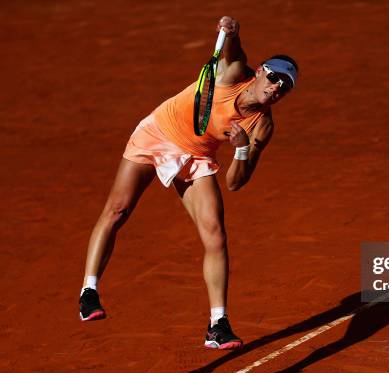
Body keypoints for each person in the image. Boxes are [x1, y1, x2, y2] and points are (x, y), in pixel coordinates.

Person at [78, 16, 298, 350]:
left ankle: (217, 324)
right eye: (274, 78)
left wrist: (241, 149)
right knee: (118, 209)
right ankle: (89, 291)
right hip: (158, 133)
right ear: (259, 72)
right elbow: (233, 48)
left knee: (215, 234)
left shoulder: (262, 127)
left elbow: (237, 182)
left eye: (285, 87)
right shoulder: (233, 72)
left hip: (195, 156)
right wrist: (233, 32)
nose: (276, 88)